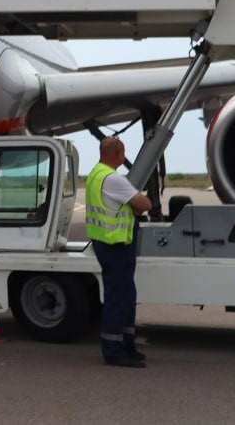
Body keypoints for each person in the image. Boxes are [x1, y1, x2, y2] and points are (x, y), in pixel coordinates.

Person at [85, 136, 153, 368]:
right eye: (123, 153)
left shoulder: (96, 174)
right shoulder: (113, 179)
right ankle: (114, 352)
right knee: (117, 299)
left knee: (126, 296)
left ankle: (127, 345)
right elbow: (145, 204)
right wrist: (136, 205)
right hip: (115, 246)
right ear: (117, 153)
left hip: (106, 243)